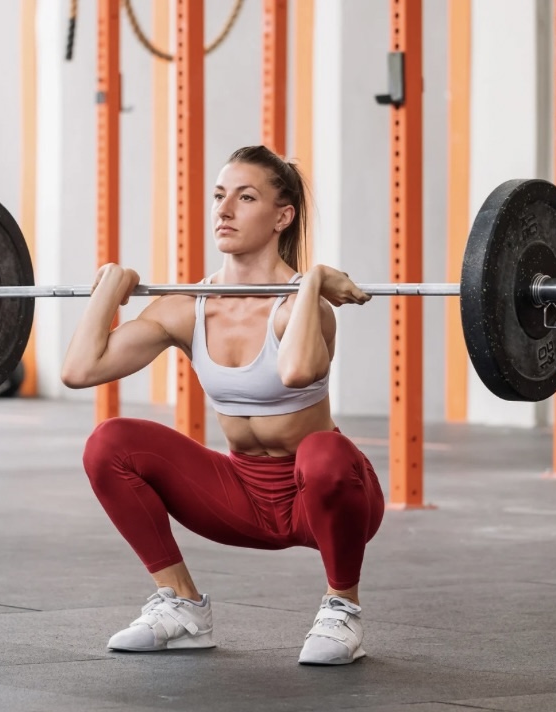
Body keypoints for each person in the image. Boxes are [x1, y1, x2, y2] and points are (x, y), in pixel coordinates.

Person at [61, 145, 385, 666]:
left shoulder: (303, 307)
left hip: (325, 500)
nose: (223, 210)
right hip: (240, 498)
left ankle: (342, 607)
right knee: (109, 443)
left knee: (325, 452)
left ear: (283, 216)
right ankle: (182, 607)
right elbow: (80, 371)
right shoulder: (189, 306)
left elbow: (299, 370)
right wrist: (109, 289)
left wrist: (314, 280)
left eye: (245, 196)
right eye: (218, 196)